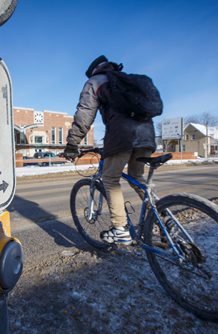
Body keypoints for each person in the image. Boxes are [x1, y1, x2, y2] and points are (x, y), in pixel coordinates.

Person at [63, 55, 156, 245]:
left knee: (110, 179)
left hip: (123, 135)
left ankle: (120, 229)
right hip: (147, 136)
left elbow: (85, 114)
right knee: (137, 178)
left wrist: (72, 144)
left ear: (94, 71)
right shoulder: (127, 80)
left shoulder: (95, 82)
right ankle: (163, 217)